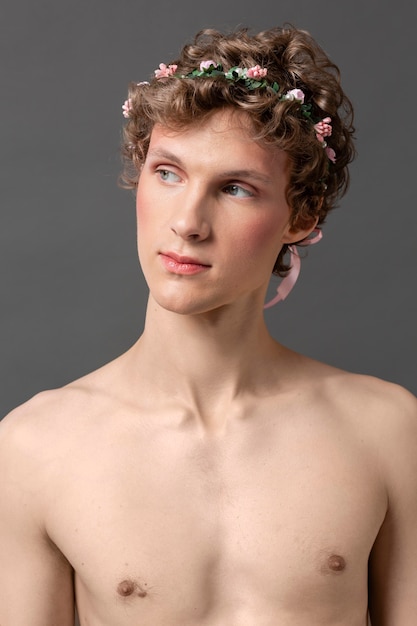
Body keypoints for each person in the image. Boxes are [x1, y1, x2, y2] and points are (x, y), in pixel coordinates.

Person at [0, 24, 416, 626]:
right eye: (168, 173)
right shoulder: (34, 447)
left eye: (236, 189)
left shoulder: (386, 430)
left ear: (301, 215)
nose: (188, 223)